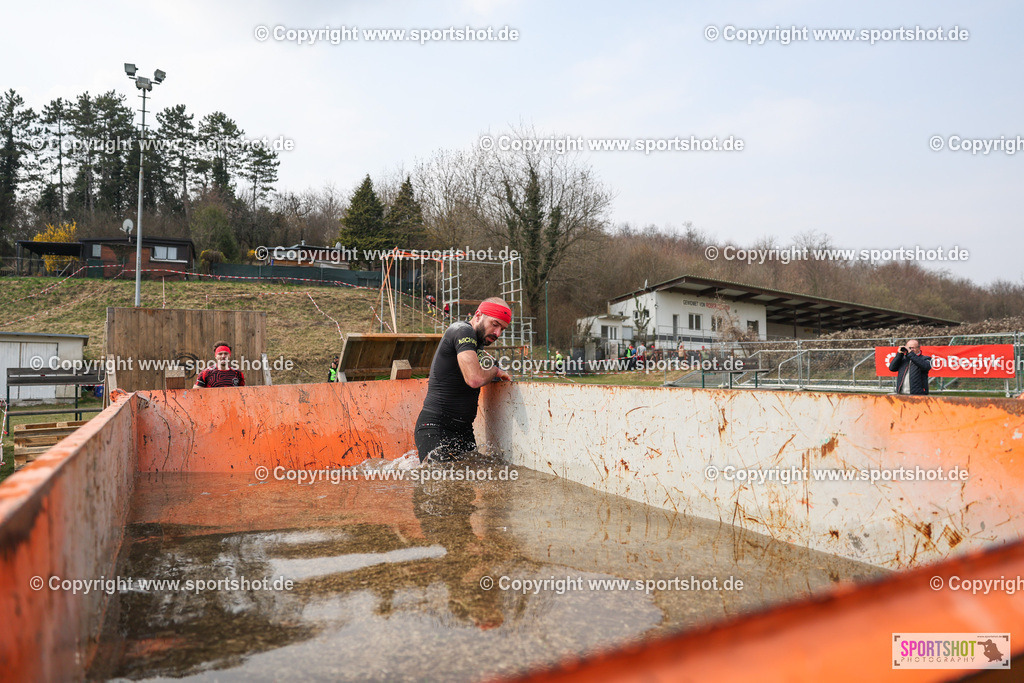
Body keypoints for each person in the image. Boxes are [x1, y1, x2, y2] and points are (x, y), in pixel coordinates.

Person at [414, 297, 512, 463]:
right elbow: (474, 379)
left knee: (467, 486)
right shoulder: (462, 330)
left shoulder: (476, 344)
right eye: (495, 324)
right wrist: (495, 371)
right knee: (438, 484)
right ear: (479, 315)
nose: (497, 333)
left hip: (463, 431)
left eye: (502, 329)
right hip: (436, 427)